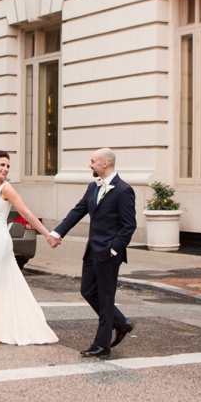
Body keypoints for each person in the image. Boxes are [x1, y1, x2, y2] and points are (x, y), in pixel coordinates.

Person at [0, 150, 59, 346]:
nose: (5, 169)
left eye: (8, 166)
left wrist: (47, 233)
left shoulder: (7, 189)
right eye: (2, 165)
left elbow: (26, 212)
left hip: (0, 239)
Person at [48, 148, 136, 358]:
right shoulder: (92, 187)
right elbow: (77, 211)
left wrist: (114, 249)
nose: (90, 165)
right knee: (87, 290)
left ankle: (101, 345)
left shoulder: (124, 190)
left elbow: (129, 226)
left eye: (93, 161)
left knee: (106, 299)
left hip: (109, 253)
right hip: (91, 250)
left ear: (105, 163)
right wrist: (57, 232)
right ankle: (121, 323)